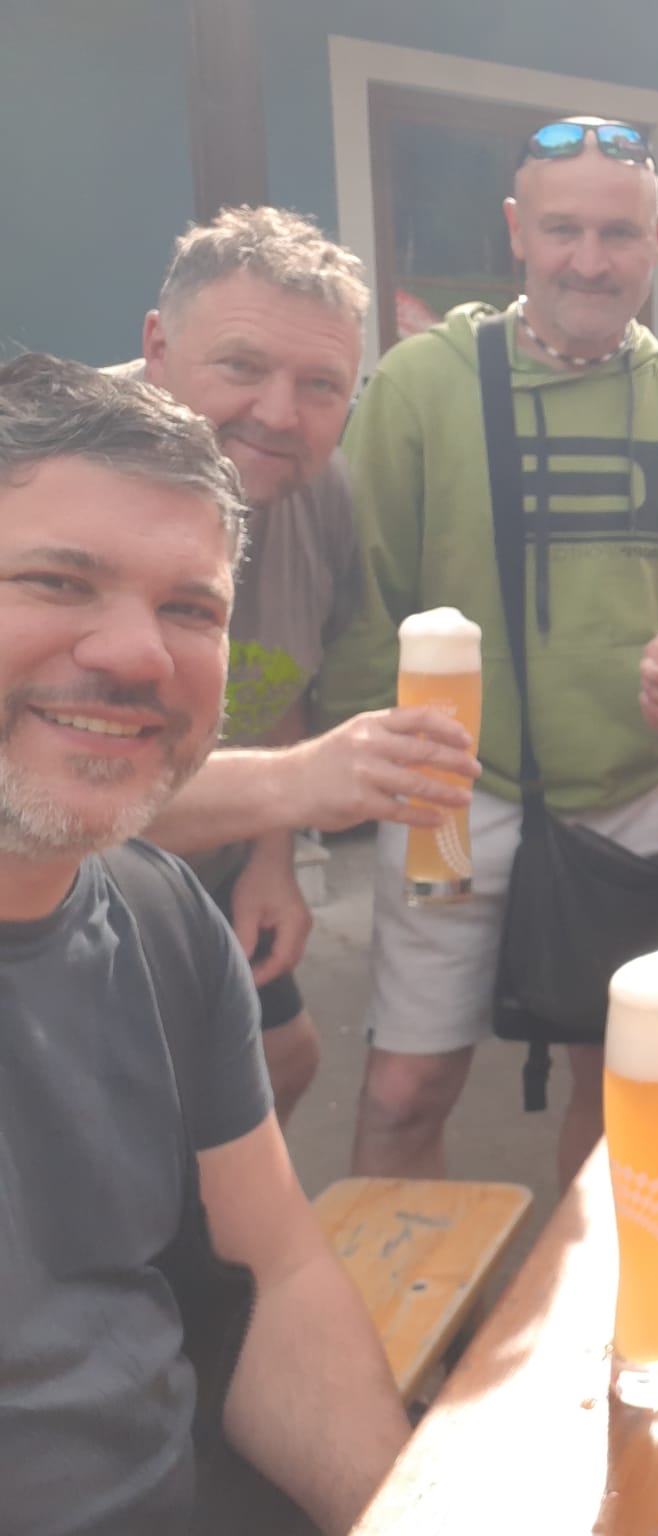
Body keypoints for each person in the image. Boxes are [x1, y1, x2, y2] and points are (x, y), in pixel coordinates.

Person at [319, 117, 658, 1190]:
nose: (589, 259)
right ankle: (391, 1301)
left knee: (628, 1080)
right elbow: (362, 593)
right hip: (450, 795)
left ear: (657, 238)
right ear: (516, 232)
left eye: (618, 233)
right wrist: (364, 771)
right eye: (563, 229)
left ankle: (608, 1293)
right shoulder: (418, 388)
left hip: (639, 799)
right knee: (404, 1091)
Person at [0, 356, 408, 1534]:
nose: (140, 655)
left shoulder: (164, 919)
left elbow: (281, 1278)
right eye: (58, 581)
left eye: (191, 609)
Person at [109, 205, 480, 1125]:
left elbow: (281, 678)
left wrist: (271, 860)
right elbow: (51, 799)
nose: (279, 415)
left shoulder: (317, 494)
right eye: (241, 366)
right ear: (157, 349)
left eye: (321, 384)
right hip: (44, 885)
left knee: (283, 1059)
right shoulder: (47, 480)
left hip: (206, 859)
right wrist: (300, 785)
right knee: (113, 1116)